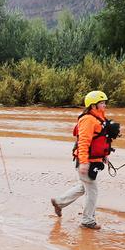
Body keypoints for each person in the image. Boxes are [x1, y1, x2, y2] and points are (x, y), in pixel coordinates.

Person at [51, 90, 114, 230]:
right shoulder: (87, 120)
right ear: (93, 106)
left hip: (93, 160)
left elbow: (99, 141)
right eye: (102, 103)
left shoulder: (99, 119)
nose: (104, 105)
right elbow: (83, 142)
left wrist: (104, 155)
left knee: (83, 186)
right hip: (86, 161)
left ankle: (59, 202)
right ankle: (87, 221)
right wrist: (84, 162)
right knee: (92, 190)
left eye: (104, 102)